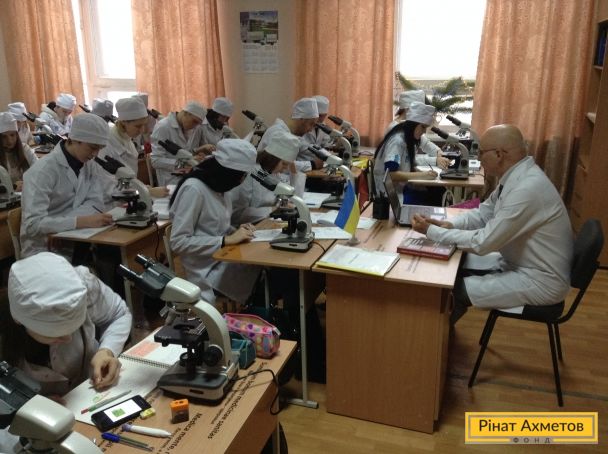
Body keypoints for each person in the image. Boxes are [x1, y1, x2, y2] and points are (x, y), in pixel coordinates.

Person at [411, 124, 574, 324]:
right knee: (456, 267)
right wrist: (448, 225)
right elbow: (483, 213)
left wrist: (432, 232)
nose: (478, 158)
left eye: (481, 152)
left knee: (453, 290)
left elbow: (484, 242)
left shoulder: (527, 189)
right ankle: (437, 336)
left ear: (498, 154)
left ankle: (433, 339)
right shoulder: (517, 177)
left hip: (540, 281)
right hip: (520, 263)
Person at [1, 252, 131, 396]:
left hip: (90, 393)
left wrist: (106, 350)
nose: (68, 338)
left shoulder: (81, 285)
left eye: (75, 328)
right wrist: (28, 404)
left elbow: (119, 314)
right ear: (19, 320)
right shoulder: (9, 324)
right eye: (54, 335)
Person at [169, 139, 261, 305]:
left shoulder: (220, 187)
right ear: (228, 173)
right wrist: (225, 240)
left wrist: (236, 231)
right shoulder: (194, 189)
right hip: (205, 269)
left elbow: (215, 226)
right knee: (263, 281)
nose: (242, 181)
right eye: (242, 176)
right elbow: (178, 242)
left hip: (223, 257)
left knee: (266, 270)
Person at [21, 113, 114, 258]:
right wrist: (79, 221)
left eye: (99, 149)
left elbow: (95, 203)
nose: (95, 154)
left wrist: (63, 227)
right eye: (92, 147)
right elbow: (32, 225)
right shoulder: (42, 172)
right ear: (75, 139)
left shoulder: (89, 164)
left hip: (75, 238)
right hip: (43, 249)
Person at [97, 97, 169, 207]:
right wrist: (146, 191)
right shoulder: (106, 145)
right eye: (138, 126)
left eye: (144, 125)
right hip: (110, 206)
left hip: (128, 201)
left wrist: (143, 188)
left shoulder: (127, 140)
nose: (142, 130)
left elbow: (130, 178)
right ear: (124, 122)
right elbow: (108, 188)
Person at [373, 101, 446, 204]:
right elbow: (390, 174)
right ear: (413, 124)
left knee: (439, 191)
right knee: (433, 197)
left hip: (401, 187)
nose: (424, 131)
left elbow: (406, 165)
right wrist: (422, 175)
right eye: (423, 127)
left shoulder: (409, 138)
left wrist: (421, 173)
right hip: (389, 194)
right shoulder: (398, 141)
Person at [230, 130, 302, 223]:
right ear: (273, 158)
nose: (284, 170)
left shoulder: (272, 172)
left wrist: (282, 204)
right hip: (245, 226)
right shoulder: (250, 173)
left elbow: (289, 194)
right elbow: (236, 214)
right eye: (284, 164)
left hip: (265, 223)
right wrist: (272, 210)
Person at [150, 101, 210, 186]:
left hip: (187, 177)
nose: (195, 126)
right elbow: (155, 161)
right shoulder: (163, 127)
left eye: (198, 123)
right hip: (170, 181)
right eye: (194, 122)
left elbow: (184, 152)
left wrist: (196, 155)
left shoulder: (191, 128)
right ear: (185, 113)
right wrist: (182, 163)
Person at [258, 97, 322, 172]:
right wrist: (312, 164)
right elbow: (282, 164)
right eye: (311, 124)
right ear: (302, 119)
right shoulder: (278, 133)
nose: (311, 130)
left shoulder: (290, 134)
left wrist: (326, 155)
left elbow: (307, 147)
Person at [385, 90, 446, 165]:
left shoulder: (412, 127)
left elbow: (424, 143)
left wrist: (438, 152)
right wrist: (435, 161)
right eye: (420, 110)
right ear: (408, 109)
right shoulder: (395, 130)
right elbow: (406, 160)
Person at [0, 112, 37, 191]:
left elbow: (38, 168)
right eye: (4, 137)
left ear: (17, 135)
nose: (9, 141)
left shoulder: (25, 149)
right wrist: (12, 187)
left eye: (12, 135)